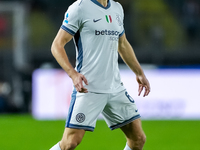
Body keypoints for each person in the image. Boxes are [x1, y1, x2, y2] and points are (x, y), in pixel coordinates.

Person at [50, 0, 150, 150]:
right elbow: (57, 45)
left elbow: (122, 44)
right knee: (70, 143)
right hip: (89, 87)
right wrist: (73, 74)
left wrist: (139, 73)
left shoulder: (117, 8)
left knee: (138, 139)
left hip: (115, 87)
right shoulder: (80, 7)